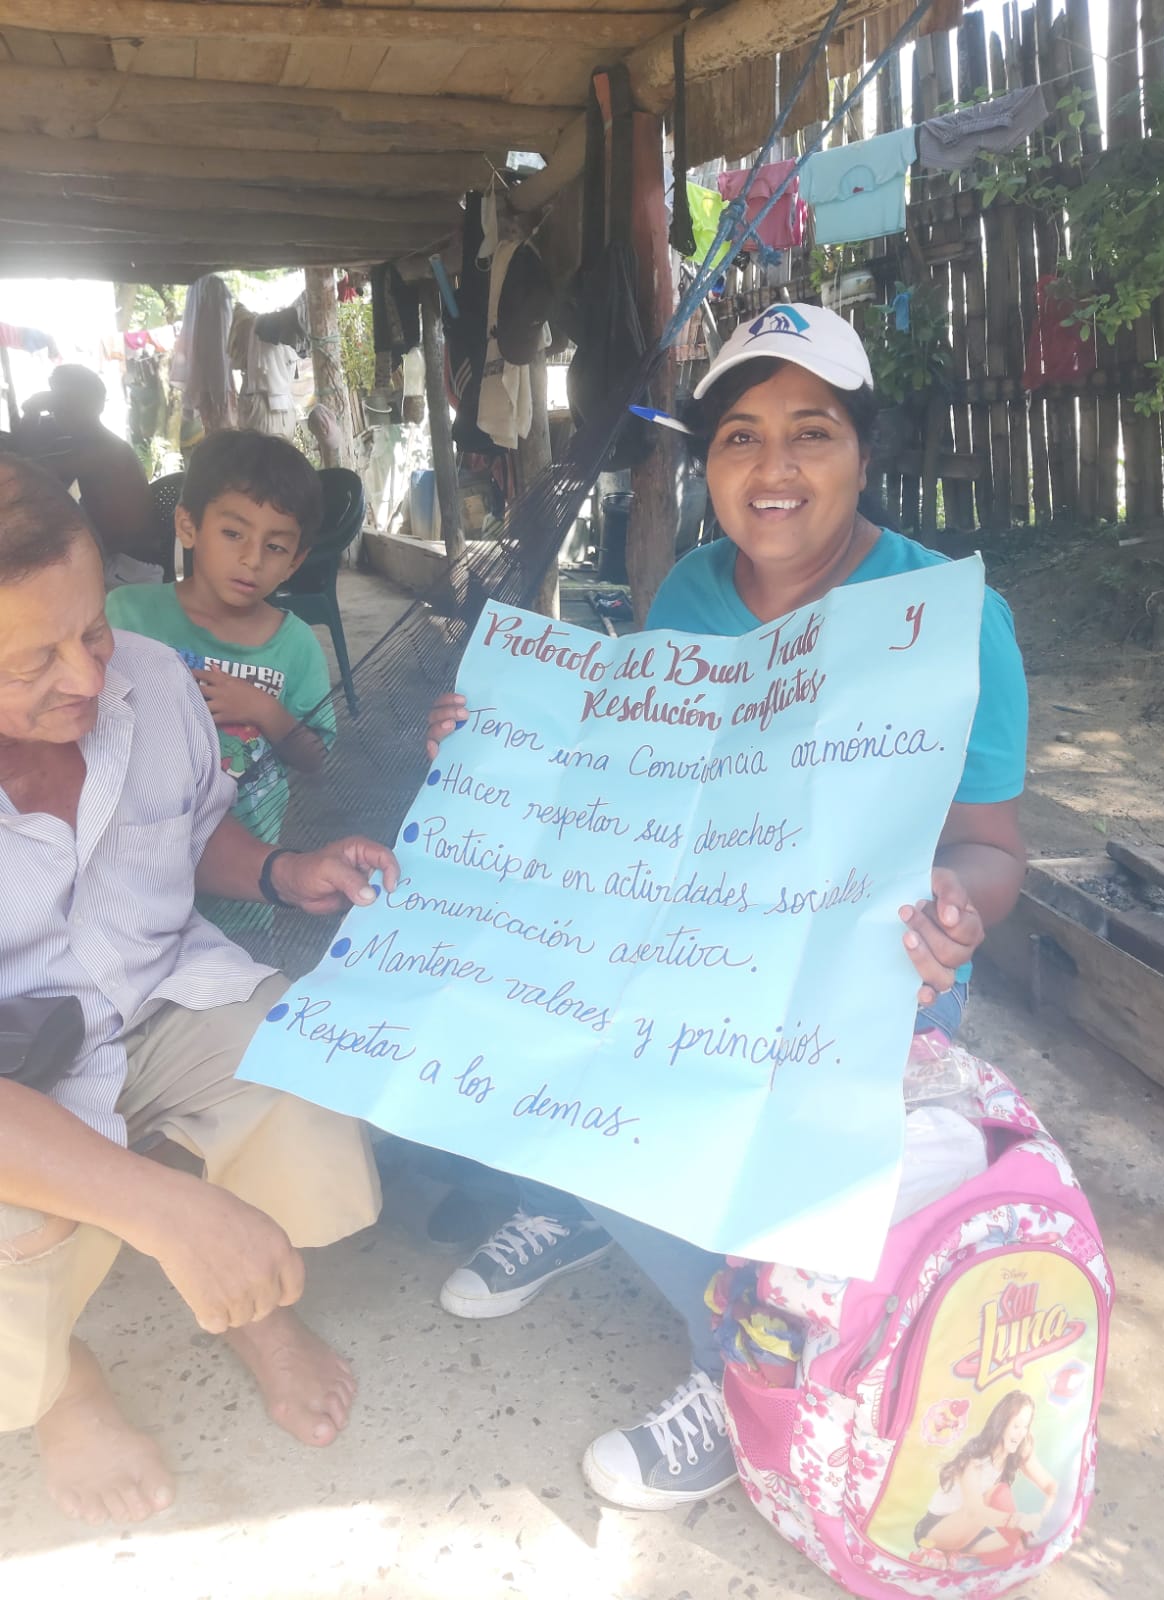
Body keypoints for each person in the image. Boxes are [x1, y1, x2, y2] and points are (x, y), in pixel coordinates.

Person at [423, 303, 1028, 1509]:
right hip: (707, 938)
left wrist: (958, 903)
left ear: (864, 450)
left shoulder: (952, 617)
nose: (774, 465)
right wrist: (503, 748)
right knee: (535, 1022)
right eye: (741, 435)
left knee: (761, 1117)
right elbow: (643, 792)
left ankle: (738, 1367)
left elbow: (991, 849)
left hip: (877, 971)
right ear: (707, 463)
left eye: (812, 430)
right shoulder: (694, 591)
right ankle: (596, 1210)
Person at [0, 453, 398, 1526]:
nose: (89, 680)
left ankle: (251, 1309)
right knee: (13, 1234)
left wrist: (283, 872)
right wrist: (165, 1210)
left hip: (156, 986)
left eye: (90, 631)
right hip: (13, 1073)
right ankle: (60, 1384)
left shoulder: (152, 674)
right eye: (32, 662)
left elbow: (185, 827)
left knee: (299, 1059)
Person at [106, 431, 335, 944]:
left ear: (296, 560)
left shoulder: (296, 647)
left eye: (275, 546)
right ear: (188, 525)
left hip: (244, 892)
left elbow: (315, 758)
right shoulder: (127, 616)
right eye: (234, 533)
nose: (253, 559)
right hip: (134, 878)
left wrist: (264, 710)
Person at [18, 365, 158, 572]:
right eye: (56, 403)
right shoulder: (86, 442)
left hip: (131, 563)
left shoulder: (101, 450)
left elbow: (27, 474)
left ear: (91, 406)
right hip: (117, 553)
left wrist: (31, 414)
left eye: (65, 402)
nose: (58, 410)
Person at [914, 1392, 1056, 1557]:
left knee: (1021, 1546)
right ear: (1002, 1424)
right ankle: (940, 1551)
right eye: (1016, 1426)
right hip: (937, 1528)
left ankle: (951, 1554)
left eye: (1025, 1426)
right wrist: (1017, 1521)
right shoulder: (973, 1460)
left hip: (972, 1533)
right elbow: (973, 1511)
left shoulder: (1019, 1448)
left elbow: (1051, 1486)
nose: (1021, 1433)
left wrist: (1045, 1517)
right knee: (998, 1493)